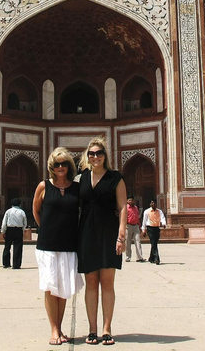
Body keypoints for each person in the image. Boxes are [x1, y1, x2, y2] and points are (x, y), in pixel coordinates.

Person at [77, 136, 127, 346]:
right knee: (90, 283)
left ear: (105, 155)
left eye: (99, 153)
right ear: (87, 157)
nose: (95, 157)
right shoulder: (81, 178)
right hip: (86, 234)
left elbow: (123, 206)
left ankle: (106, 329)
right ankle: (92, 329)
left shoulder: (115, 178)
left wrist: (121, 235)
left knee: (107, 283)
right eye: (92, 153)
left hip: (108, 233)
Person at [33, 147, 84, 346]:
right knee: (49, 286)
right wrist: (45, 229)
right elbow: (36, 211)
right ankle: (54, 329)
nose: (60, 167)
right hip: (47, 245)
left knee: (63, 288)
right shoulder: (43, 186)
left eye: (64, 163)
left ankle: (60, 328)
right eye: (57, 164)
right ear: (51, 167)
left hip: (69, 243)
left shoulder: (76, 188)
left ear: (69, 166)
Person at [1, 198, 27, 269]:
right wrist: (22, 229)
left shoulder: (8, 211)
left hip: (9, 229)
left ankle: (6, 264)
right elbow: (25, 223)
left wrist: (3, 231)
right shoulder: (22, 212)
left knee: (7, 247)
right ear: (19, 204)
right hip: (18, 230)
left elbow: (4, 222)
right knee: (18, 247)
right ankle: (16, 265)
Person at [141, 200, 166, 265]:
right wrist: (144, 230)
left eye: (154, 203)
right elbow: (144, 220)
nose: (153, 204)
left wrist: (163, 223)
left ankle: (151, 258)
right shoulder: (147, 211)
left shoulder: (159, 211)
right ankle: (156, 258)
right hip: (150, 228)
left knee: (154, 243)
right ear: (150, 204)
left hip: (156, 228)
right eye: (152, 203)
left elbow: (162, 218)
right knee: (153, 242)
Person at [125, 197, 145, 263]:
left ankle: (139, 257)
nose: (131, 201)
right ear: (127, 201)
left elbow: (137, 216)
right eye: (129, 200)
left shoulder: (136, 208)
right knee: (128, 242)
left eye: (132, 200)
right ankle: (128, 257)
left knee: (138, 241)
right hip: (128, 225)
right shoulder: (126, 208)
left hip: (135, 226)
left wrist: (139, 225)